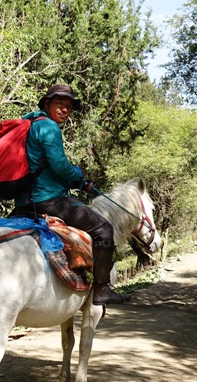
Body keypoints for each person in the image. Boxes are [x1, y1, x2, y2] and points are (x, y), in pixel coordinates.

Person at [13, 83, 129, 305]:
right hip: (48, 201)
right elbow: (58, 165)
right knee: (104, 229)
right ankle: (102, 289)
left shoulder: (29, 125)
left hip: (23, 202)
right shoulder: (49, 127)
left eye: (69, 106)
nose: (65, 109)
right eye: (60, 104)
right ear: (47, 103)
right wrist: (78, 178)